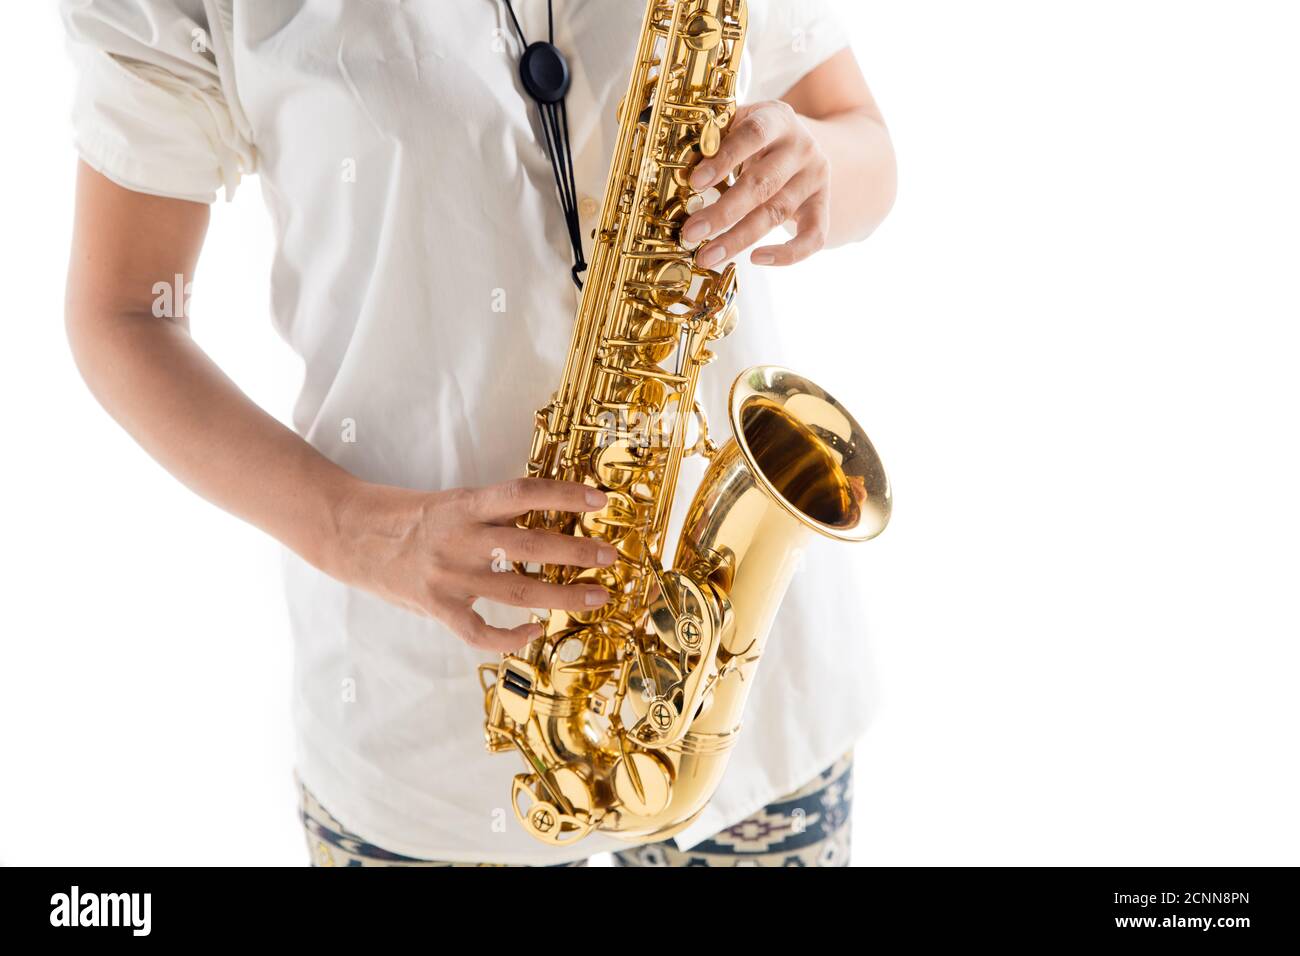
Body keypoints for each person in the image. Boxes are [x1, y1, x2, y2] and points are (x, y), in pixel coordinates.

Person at [62, 0, 896, 866]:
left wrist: (817, 163)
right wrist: (347, 528)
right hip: (429, 727)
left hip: (743, 681)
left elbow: (862, 139)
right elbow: (122, 314)